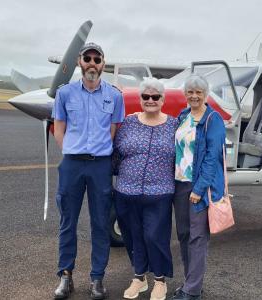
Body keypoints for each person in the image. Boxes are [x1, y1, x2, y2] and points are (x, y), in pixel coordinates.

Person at [52, 42, 125, 300]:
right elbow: (59, 127)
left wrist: (96, 151)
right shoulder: (65, 94)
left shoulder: (115, 96)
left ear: (103, 64)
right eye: (88, 58)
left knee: (100, 223)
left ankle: (97, 279)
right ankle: (66, 276)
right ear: (80, 62)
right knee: (67, 222)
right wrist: (70, 150)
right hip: (72, 163)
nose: (92, 63)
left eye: (97, 59)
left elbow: (113, 130)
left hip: (100, 165)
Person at [112, 77, 178, 300]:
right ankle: (139, 278)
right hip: (126, 191)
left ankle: (160, 281)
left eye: (155, 97)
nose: (150, 100)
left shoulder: (173, 124)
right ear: (140, 99)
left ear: (163, 100)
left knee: (155, 236)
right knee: (132, 236)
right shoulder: (129, 122)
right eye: (146, 96)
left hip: (159, 192)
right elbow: (115, 151)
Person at [172, 74, 226, 300]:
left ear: (206, 95)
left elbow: (212, 159)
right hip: (179, 184)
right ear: (185, 94)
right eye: (190, 92)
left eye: (199, 92)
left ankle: (192, 291)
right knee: (184, 235)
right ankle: (190, 283)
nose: (194, 96)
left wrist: (199, 188)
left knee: (197, 238)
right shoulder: (183, 115)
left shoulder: (214, 120)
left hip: (198, 187)